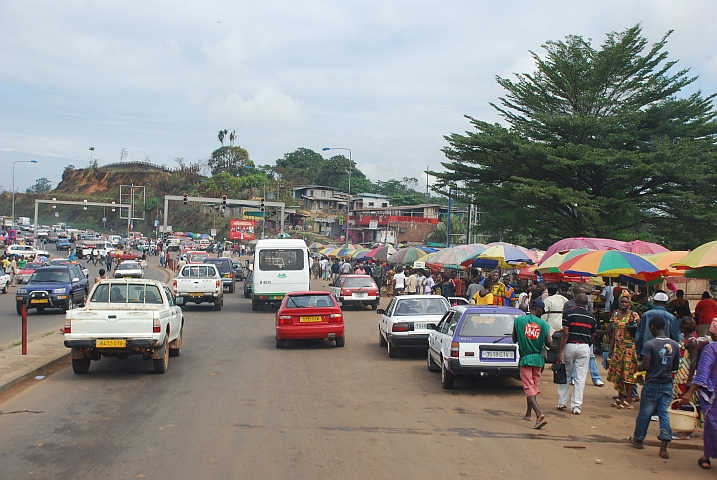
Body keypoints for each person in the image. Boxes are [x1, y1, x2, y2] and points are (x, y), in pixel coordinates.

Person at [628, 316, 680, 459]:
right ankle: (663, 447)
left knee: (645, 413)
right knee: (664, 413)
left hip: (651, 383)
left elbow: (646, 366)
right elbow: (675, 366)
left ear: (652, 328)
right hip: (667, 383)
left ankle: (638, 439)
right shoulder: (674, 344)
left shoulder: (649, 345)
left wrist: (639, 367)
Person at [682, 319, 717, 469]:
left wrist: (689, 392)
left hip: (713, 396)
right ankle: (706, 455)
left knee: (712, 426)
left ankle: (706, 456)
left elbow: (703, 373)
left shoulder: (711, 349)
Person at [512, 300, 552, 430]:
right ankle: (528, 413)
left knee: (529, 388)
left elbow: (514, 339)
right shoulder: (543, 324)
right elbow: (549, 343)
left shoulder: (518, 321)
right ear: (539, 310)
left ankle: (538, 414)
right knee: (533, 387)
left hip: (525, 358)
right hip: (538, 359)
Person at [557, 293, 596, 414]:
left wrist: (560, 350)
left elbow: (565, 334)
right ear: (586, 303)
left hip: (569, 346)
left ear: (575, 301)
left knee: (566, 374)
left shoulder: (568, 314)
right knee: (580, 377)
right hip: (584, 347)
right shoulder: (592, 317)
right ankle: (576, 406)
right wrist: (587, 344)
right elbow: (593, 335)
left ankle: (562, 402)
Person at [563, 286, 604, 387]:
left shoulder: (588, 304)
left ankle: (596, 378)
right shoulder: (568, 304)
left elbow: (589, 317)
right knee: (573, 359)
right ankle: (573, 378)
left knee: (591, 356)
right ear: (575, 294)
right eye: (582, 292)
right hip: (574, 334)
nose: (584, 295)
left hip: (585, 334)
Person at [607, 290, 641, 408]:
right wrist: (611, 349)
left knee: (629, 374)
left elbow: (639, 334)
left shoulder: (634, 315)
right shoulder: (615, 315)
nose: (623, 304)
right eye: (621, 302)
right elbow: (613, 334)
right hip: (618, 348)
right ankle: (620, 397)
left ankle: (629, 399)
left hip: (630, 348)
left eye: (626, 302)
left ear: (629, 303)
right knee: (619, 374)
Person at [673, 316, 701, 440]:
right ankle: (683, 428)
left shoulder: (692, 341)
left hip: (686, 373)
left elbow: (694, 360)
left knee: (686, 400)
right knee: (680, 399)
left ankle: (686, 430)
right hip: (680, 372)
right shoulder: (684, 339)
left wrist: (690, 379)